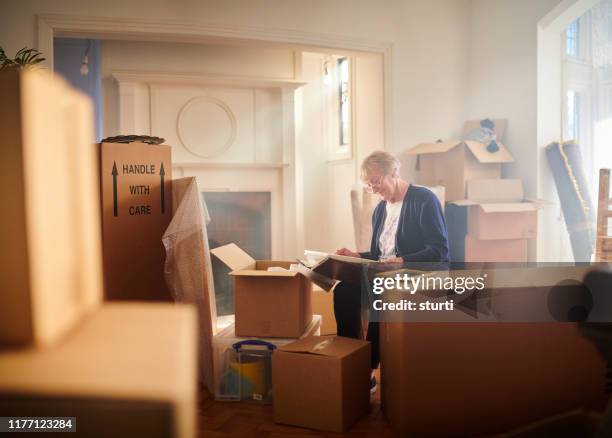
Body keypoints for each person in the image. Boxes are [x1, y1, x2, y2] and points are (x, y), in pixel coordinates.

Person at [334, 150, 449, 393]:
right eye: (368, 185)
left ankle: (367, 370)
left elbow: (439, 251)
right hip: (387, 273)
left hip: (418, 274)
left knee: (380, 292)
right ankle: (349, 359)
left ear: (394, 173)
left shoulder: (423, 200)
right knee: (344, 290)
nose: (373, 189)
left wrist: (402, 261)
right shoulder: (380, 210)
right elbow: (379, 256)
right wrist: (357, 257)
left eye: (376, 181)